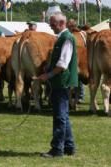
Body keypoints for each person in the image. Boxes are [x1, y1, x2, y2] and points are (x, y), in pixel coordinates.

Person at [38, 13, 78, 158]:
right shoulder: (61, 38)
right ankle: (69, 146)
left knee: (60, 116)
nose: (50, 26)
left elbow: (62, 64)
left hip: (62, 82)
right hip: (60, 81)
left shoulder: (67, 38)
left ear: (62, 23)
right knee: (64, 116)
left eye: (53, 24)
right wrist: (48, 67)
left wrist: (47, 75)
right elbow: (57, 61)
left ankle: (57, 149)